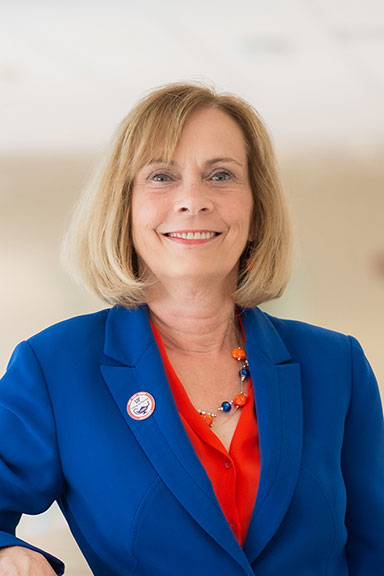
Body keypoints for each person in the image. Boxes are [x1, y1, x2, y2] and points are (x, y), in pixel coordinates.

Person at [0, 82, 383, 576]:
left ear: (255, 207)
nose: (192, 200)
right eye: (161, 176)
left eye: (220, 175)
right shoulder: (55, 367)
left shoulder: (336, 365)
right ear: (125, 206)